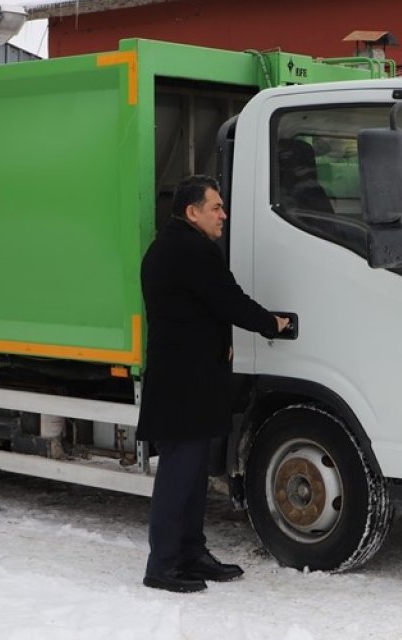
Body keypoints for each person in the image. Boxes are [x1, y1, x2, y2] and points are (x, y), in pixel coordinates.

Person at [138, 175, 290, 593]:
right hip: (186, 383)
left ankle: (190, 553)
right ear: (192, 212)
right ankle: (163, 565)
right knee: (178, 475)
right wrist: (273, 323)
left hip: (187, 379)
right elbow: (229, 300)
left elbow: (203, 308)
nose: (223, 215)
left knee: (190, 474)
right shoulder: (193, 251)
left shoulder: (167, 247)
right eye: (216, 207)